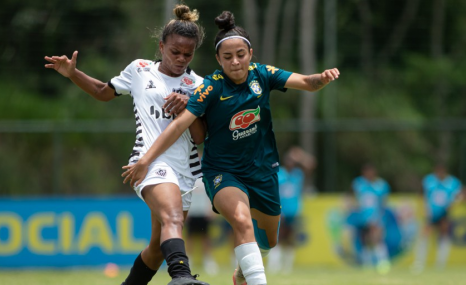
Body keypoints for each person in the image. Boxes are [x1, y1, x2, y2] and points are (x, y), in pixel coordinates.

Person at [121, 11, 339, 285]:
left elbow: (308, 82)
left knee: (269, 241)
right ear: (218, 59)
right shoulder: (210, 87)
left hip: (262, 170)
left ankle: (241, 273)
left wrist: (323, 77)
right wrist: (145, 160)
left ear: (251, 53)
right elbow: (178, 127)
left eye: (240, 55)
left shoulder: (264, 75)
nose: (235, 62)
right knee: (241, 218)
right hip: (223, 172)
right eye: (227, 57)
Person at [45, 4, 210, 285]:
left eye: (188, 53)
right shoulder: (140, 69)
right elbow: (102, 92)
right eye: (175, 51)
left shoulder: (198, 84)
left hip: (183, 169)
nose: (181, 58)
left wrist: (189, 106)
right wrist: (72, 73)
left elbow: (199, 137)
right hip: (147, 162)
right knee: (173, 218)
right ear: (161, 46)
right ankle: (182, 277)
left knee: (158, 248)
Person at [267, 146, 315, 274]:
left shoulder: (298, 174)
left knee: (290, 238)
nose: (291, 163)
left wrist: (300, 155)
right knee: (278, 237)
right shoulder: (279, 173)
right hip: (280, 211)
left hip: (294, 211)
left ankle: (287, 266)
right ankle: (274, 264)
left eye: (293, 161)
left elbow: (311, 164)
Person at [411, 164, 463, 272]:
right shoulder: (429, 180)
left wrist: (453, 203)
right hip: (431, 214)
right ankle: (419, 263)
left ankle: (440, 264)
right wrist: (426, 209)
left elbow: (461, 195)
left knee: (443, 236)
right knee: (424, 236)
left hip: (444, 214)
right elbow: (423, 195)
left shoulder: (453, 182)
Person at [351, 164, 391, 273]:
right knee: (365, 241)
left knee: (376, 239)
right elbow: (356, 200)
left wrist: (379, 217)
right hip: (362, 217)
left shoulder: (381, 185)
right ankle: (367, 265)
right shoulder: (358, 184)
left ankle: (383, 263)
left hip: (376, 217)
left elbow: (383, 203)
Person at [185, 175, 219, 275]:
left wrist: (211, 209)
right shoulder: (189, 177)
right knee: (189, 238)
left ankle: (208, 261)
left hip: (204, 213)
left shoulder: (206, 177)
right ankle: (188, 261)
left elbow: (210, 194)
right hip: (192, 213)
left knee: (206, 238)